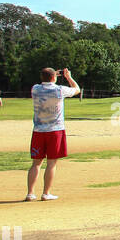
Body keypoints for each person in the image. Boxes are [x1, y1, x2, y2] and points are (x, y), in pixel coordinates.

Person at [26, 67, 81, 201]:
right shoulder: (59, 90)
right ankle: (46, 193)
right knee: (51, 163)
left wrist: (51, 75)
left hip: (38, 130)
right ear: (54, 77)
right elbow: (77, 89)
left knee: (36, 163)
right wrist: (68, 77)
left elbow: (46, 80)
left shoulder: (35, 89)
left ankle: (30, 193)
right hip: (55, 130)